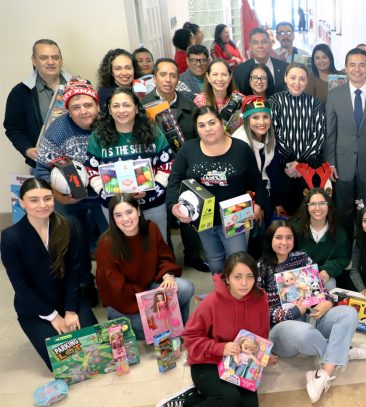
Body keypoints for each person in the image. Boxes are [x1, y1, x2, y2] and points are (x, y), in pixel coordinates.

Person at [138, 252, 269, 407]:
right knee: (229, 401)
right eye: (238, 277)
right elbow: (190, 337)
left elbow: (262, 334)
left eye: (250, 276)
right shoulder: (212, 302)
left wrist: (263, 354)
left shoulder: (261, 299)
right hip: (207, 362)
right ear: (227, 278)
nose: (245, 283)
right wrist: (219, 348)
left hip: (238, 365)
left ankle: (191, 399)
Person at [258, 221, 366, 403]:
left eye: (289, 237)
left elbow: (319, 289)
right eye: (278, 237)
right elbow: (259, 313)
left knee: (349, 313)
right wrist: (293, 312)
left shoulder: (302, 257)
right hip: (281, 332)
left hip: (310, 319)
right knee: (305, 332)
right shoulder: (261, 268)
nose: (284, 242)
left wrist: (328, 301)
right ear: (270, 239)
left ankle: (322, 375)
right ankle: (343, 351)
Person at [1, 178, 98, 371]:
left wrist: (70, 311)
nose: (42, 205)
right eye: (34, 200)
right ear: (22, 203)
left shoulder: (68, 225)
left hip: (69, 300)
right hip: (36, 309)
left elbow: (74, 272)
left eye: (47, 198)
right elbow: (21, 286)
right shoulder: (11, 237)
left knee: (95, 350)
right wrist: (53, 316)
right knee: (65, 364)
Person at [167, 107, 268, 275]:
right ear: (196, 128)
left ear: (221, 123)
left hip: (235, 215)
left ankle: (237, 291)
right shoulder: (188, 149)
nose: (208, 129)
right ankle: (220, 290)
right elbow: (174, 180)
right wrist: (173, 205)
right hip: (203, 219)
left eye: (212, 123)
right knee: (215, 261)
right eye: (202, 125)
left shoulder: (241, 149)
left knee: (238, 262)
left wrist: (259, 205)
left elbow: (256, 180)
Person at [34, 79, 106, 305]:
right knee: (75, 240)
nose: (83, 111)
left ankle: (110, 279)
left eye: (88, 105)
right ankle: (85, 283)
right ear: (68, 110)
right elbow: (40, 170)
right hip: (69, 198)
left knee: (112, 237)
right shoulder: (57, 131)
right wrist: (59, 196)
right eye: (76, 107)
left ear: (98, 106)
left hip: (103, 193)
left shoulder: (109, 124)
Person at [95, 194, 194, 342]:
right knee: (156, 329)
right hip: (124, 302)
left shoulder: (151, 228)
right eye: (118, 215)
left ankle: (179, 330)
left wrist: (167, 275)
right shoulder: (107, 243)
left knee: (185, 288)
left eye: (129, 212)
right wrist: (150, 305)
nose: (125, 219)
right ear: (113, 218)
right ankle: (172, 331)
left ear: (138, 211)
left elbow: (164, 256)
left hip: (149, 287)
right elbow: (114, 287)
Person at [140, 58, 207, 272]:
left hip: (184, 169)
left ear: (178, 78)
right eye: (163, 75)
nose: (168, 80)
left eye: (173, 75)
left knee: (189, 211)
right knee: (161, 217)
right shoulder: (142, 107)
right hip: (155, 171)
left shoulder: (189, 105)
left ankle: (193, 255)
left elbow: (198, 139)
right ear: (154, 77)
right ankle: (166, 260)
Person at [86, 87, 174, 240]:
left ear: (137, 108)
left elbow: (167, 165)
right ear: (109, 110)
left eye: (126, 105)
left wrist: (152, 191)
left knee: (157, 246)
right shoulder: (98, 137)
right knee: (122, 249)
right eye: (116, 106)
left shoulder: (154, 132)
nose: (121, 110)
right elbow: (92, 170)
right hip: (116, 208)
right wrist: (107, 193)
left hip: (152, 204)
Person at [324, 47, 366, 233]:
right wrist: (330, 163)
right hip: (342, 164)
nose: (357, 69)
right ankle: (345, 246)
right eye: (352, 65)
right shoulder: (334, 95)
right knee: (343, 211)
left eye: (362, 65)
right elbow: (330, 133)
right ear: (345, 68)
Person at [268, 63, 326, 216]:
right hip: (284, 167)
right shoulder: (275, 101)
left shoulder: (314, 103)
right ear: (285, 78)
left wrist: (300, 163)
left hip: (309, 167)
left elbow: (319, 134)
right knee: (285, 212)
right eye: (293, 78)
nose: (297, 83)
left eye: (302, 79)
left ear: (307, 81)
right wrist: (291, 161)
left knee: (308, 210)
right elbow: (273, 133)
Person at [5, 39, 72, 168]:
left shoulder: (80, 85)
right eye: (43, 58)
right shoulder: (21, 92)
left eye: (55, 57)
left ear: (61, 61)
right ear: (34, 61)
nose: (50, 62)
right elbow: (14, 128)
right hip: (43, 163)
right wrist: (27, 149)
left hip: (80, 160)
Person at [291, 189, 350, 291]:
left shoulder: (339, 232)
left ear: (328, 206)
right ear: (307, 207)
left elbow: (343, 258)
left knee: (331, 284)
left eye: (322, 203)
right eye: (313, 204)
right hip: (296, 278)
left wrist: (328, 270)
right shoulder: (295, 228)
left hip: (323, 279)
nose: (317, 208)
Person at [233, 28, 288, 93]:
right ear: (250, 46)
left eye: (264, 42)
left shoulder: (285, 68)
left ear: (270, 44)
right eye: (255, 42)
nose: (260, 46)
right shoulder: (240, 71)